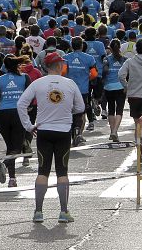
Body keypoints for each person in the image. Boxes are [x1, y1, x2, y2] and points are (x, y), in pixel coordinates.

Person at [17, 51, 85, 223]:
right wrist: (66, 109)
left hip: (43, 130)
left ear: (46, 66)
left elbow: (21, 104)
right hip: (63, 130)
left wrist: (28, 126)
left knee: (43, 170)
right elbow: (80, 107)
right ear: (60, 66)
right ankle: (63, 211)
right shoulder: (69, 84)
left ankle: (38, 211)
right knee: (62, 170)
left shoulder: (37, 83)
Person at [0, 54, 32, 187]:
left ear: (5, 66)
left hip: (3, 114)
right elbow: (30, 94)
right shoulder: (25, 77)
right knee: (17, 148)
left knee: (10, 147)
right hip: (19, 113)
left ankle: (12, 179)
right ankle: (4, 164)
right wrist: (28, 106)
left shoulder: (0, 79)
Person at [102, 39, 128, 142]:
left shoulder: (106, 59)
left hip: (109, 86)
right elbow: (128, 74)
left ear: (111, 49)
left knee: (111, 109)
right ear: (120, 48)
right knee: (119, 110)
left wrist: (104, 79)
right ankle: (115, 131)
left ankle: (112, 130)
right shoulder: (124, 60)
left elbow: (104, 70)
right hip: (121, 86)